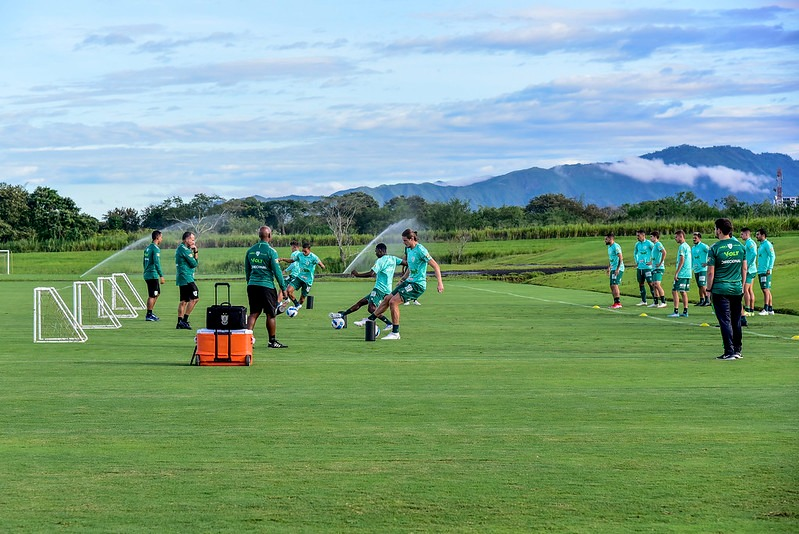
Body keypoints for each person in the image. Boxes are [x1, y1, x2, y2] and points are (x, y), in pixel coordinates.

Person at [363, 228, 444, 340]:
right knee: (387, 298)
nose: (403, 243)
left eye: (405, 240)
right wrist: (402, 279)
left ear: (412, 239)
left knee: (393, 302)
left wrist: (440, 283)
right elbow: (411, 268)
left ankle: (395, 333)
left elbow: (436, 266)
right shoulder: (409, 250)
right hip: (408, 281)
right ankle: (370, 319)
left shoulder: (421, 250)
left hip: (417, 285)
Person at [329, 243, 404, 332]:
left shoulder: (380, 261)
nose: (375, 253)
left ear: (380, 251)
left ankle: (389, 323)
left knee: (371, 308)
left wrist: (357, 275)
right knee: (361, 302)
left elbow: (371, 273)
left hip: (379, 289)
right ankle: (342, 315)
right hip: (387, 290)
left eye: (376, 251)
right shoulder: (393, 258)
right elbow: (406, 263)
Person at [706, 218, 746, 360]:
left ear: (719, 230)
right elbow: (744, 268)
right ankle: (737, 350)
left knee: (725, 321)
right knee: (736, 320)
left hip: (720, 289)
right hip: (736, 288)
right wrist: (741, 286)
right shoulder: (740, 246)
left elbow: (710, 272)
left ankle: (729, 351)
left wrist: (708, 289)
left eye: (716, 228)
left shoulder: (714, 248)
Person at [245, 226, 288, 349]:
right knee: (271, 314)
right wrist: (283, 288)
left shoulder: (250, 251)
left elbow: (247, 271)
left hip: (252, 285)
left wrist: (250, 283)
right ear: (269, 236)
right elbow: (277, 272)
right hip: (266, 286)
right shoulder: (271, 251)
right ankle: (272, 341)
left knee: (254, 313)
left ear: (259, 236)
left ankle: (247, 341)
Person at [282, 242, 325, 312]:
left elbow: (321, 264)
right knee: (289, 291)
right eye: (303, 251)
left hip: (308, 281)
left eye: (305, 251)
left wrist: (321, 265)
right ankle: (296, 305)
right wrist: (283, 259)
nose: (304, 252)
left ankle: (296, 307)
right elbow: (292, 260)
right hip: (299, 277)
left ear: (309, 250)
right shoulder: (300, 255)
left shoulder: (314, 257)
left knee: (302, 299)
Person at [175, 231, 199, 330]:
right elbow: (194, 264)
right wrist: (196, 251)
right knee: (195, 298)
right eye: (192, 239)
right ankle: (184, 320)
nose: (193, 242)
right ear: (187, 239)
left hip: (183, 277)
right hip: (186, 277)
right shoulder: (184, 250)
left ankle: (179, 322)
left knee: (184, 301)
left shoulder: (182, 248)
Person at [142, 230, 165, 321]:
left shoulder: (147, 248)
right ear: (157, 237)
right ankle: (149, 314)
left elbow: (144, 262)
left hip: (148, 273)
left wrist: (146, 270)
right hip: (152, 275)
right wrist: (161, 275)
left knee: (157, 293)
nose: (162, 239)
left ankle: (150, 313)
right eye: (161, 237)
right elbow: (157, 263)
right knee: (153, 295)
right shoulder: (155, 249)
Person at [668, 230, 692, 318]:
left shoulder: (682, 247)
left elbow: (682, 259)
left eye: (676, 237)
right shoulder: (688, 246)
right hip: (688, 273)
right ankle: (685, 311)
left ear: (681, 236)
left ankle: (676, 311)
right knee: (683, 291)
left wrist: (677, 273)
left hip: (682, 273)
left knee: (674, 291)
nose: (675, 239)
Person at [756, 228, 776, 315]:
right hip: (761, 270)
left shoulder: (767, 244)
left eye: (758, 234)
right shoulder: (762, 245)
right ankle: (771, 309)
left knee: (765, 289)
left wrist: (769, 268)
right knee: (766, 289)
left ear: (763, 235)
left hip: (765, 270)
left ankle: (766, 309)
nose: (757, 236)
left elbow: (772, 256)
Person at [633, 229, 654, 306]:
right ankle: (643, 301)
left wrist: (652, 261)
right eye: (637, 235)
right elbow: (635, 253)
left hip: (647, 267)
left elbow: (656, 251)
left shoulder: (649, 243)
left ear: (643, 235)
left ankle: (655, 300)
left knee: (651, 283)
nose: (637, 237)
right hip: (640, 267)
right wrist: (636, 261)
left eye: (638, 235)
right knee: (641, 283)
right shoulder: (637, 244)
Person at [740, 227, 758, 315]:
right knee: (750, 289)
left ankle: (747, 309)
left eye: (742, 234)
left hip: (749, 270)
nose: (741, 236)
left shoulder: (749, 243)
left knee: (745, 289)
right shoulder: (749, 242)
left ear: (747, 234)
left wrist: (748, 264)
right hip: (753, 269)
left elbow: (754, 253)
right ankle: (751, 309)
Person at [605, 233, 624, 309]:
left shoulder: (615, 247)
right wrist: (609, 267)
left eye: (606, 239)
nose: (605, 240)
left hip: (618, 268)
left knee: (615, 284)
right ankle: (615, 302)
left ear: (610, 239)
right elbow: (611, 258)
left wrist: (618, 269)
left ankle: (618, 303)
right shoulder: (609, 247)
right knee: (612, 285)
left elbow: (620, 258)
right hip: (613, 268)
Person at [648, 231, 668, 308]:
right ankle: (655, 302)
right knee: (653, 285)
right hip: (654, 267)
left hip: (658, 268)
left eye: (651, 236)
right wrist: (651, 262)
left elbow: (664, 252)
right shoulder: (655, 245)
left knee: (657, 284)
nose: (650, 238)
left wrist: (660, 263)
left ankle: (663, 301)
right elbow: (655, 256)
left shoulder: (658, 244)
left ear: (655, 237)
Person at [691, 232, 710, 306]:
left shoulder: (703, 246)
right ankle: (701, 300)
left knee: (702, 284)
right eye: (693, 238)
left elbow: (711, 253)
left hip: (703, 269)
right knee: (699, 285)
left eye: (695, 238)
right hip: (696, 269)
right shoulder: (693, 248)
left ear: (699, 238)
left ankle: (707, 300)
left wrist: (707, 263)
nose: (694, 239)